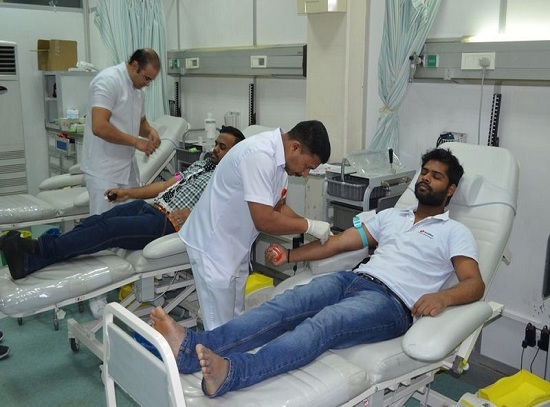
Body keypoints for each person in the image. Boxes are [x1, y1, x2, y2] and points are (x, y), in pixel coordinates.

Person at [149, 147, 485, 398]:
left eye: (436, 176)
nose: (425, 178)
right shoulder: (392, 217)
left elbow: (474, 283)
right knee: (283, 306)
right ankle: (190, 348)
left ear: (450, 190)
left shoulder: (454, 232)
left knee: (323, 324)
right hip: (353, 279)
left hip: (391, 304)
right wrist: (290, 255)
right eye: (424, 172)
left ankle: (233, 373)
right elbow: (338, 244)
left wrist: (443, 297)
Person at [0, 127, 245, 282]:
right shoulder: (202, 165)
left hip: (166, 223)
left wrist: (193, 214)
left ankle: (37, 248)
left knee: (107, 231)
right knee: (96, 221)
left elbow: (228, 213)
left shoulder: (231, 181)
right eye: (216, 144)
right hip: (151, 207)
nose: (215, 149)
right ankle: (30, 261)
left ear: (235, 153)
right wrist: (128, 193)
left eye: (222, 147)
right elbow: (163, 185)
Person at [179, 120, 332, 330]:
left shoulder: (281, 164)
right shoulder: (259, 155)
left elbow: (278, 208)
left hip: (236, 246)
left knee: (236, 319)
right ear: (295, 147)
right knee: (218, 328)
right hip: (213, 246)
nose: (305, 174)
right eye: (307, 167)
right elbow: (264, 220)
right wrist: (308, 226)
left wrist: (312, 227)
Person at [80, 48, 162, 215]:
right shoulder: (108, 81)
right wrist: (136, 142)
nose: (148, 84)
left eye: (151, 80)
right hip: (104, 170)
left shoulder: (139, 90)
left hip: (127, 168)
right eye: (146, 78)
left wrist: (150, 132)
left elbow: (140, 122)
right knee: (104, 224)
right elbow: (99, 127)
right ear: (134, 65)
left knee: (130, 222)